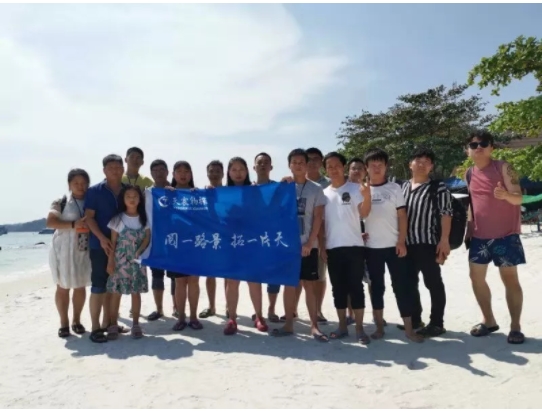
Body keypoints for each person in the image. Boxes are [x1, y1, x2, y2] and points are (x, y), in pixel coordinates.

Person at [464, 130, 525, 344]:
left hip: (505, 236)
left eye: (483, 144)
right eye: (474, 145)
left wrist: (506, 195)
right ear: (467, 150)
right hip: (479, 237)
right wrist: (469, 229)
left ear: (491, 147)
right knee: (476, 278)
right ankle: (489, 320)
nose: (478, 147)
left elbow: (519, 198)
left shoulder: (503, 167)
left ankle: (515, 326)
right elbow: (472, 204)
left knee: (510, 279)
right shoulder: (469, 173)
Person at [363, 149, 423, 343]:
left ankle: (409, 329)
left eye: (380, 164)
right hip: (372, 248)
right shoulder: (362, 190)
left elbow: (402, 215)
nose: (376, 168)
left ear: (386, 166)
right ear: (366, 168)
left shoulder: (394, 188)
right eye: (372, 165)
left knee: (401, 287)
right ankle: (379, 328)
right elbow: (361, 215)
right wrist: (366, 195)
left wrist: (401, 241)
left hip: (394, 246)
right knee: (376, 288)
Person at [272, 149, 328, 341]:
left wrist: (311, 242)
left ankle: (314, 326)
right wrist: (280, 185)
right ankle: (289, 323)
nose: (298, 165)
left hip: (308, 245)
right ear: (289, 165)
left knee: (309, 285)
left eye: (301, 162)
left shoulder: (316, 189)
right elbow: (272, 210)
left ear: (306, 165)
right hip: (287, 246)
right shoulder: (283, 187)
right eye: (294, 162)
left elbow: (318, 218)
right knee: (289, 285)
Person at [320, 151, 372, 344]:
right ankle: (342, 326)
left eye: (337, 165)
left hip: (354, 246)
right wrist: (322, 247)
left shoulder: (356, 188)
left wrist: (367, 197)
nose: (333, 169)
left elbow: (364, 213)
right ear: (325, 169)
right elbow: (321, 224)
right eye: (329, 166)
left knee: (356, 288)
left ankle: (359, 329)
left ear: (343, 167)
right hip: (333, 248)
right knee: (338, 289)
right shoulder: (324, 194)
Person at [401, 147, 452, 338]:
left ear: (431, 167)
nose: (422, 165)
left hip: (428, 243)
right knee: (409, 283)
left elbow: (446, 213)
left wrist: (444, 241)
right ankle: (415, 319)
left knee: (433, 283)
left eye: (427, 162)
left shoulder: (438, 187)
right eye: (418, 161)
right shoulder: (402, 187)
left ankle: (437, 323)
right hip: (405, 243)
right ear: (410, 164)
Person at [85, 154, 128, 343]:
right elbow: (89, 218)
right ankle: (95, 328)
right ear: (104, 170)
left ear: (123, 169)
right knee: (99, 286)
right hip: (99, 245)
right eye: (111, 168)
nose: (115, 171)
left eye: (118, 167)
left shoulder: (128, 190)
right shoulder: (94, 191)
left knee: (115, 286)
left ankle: (110, 323)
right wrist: (102, 238)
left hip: (123, 246)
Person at [223, 157, 268, 335]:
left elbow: (266, 210)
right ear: (228, 172)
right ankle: (232, 318)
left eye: (241, 169)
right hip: (232, 243)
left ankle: (259, 316)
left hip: (252, 242)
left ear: (247, 171)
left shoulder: (255, 191)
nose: (238, 173)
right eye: (234, 169)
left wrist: (286, 182)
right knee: (232, 282)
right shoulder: (222, 193)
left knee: (254, 281)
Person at [46, 168, 92, 338]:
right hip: (63, 249)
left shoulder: (92, 200)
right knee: (63, 286)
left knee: (80, 285)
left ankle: (76, 320)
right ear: (69, 185)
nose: (80, 186)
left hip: (83, 247)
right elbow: (50, 222)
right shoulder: (61, 201)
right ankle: (64, 323)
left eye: (83, 183)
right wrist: (73, 225)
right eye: (76, 183)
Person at [106, 185, 150, 339]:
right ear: (123, 199)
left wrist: (140, 251)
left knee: (135, 293)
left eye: (135, 196)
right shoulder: (117, 219)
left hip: (137, 261)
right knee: (116, 293)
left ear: (140, 199)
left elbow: (147, 238)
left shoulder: (145, 218)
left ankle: (136, 324)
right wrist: (110, 261)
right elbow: (113, 242)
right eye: (128, 196)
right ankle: (113, 324)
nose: (132, 199)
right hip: (120, 261)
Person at [169, 161, 204, 331]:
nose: (183, 174)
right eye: (179, 171)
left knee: (194, 281)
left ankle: (193, 317)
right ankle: (181, 317)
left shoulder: (198, 194)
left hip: (195, 243)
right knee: (180, 281)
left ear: (191, 174)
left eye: (186, 171)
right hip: (176, 244)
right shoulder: (168, 193)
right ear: (173, 174)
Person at [145, 159, 178, 321]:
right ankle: (159, 309)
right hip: (155, 240)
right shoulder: (146, 193)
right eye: (155, 170)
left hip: (174, 239)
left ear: (167, 172)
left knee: (175, 276)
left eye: (161, 170)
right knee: (156, 275)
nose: (158, 173)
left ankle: (177, 307)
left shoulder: (176, 191)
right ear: (151, 173)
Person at [252, 152, 281, 323]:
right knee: (254, 277)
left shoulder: (279, 188)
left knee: (274, 276)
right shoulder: (248, 188)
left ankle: (271, 309)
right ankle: (258, 311)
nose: (262, 165)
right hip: (253, 239)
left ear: (271, 167)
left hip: (273, 237)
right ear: (254, 167)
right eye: (259, 162)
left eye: (266, 162)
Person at [306, 147, 331, 323]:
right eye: (309, 159)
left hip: (325, 236)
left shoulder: (330, 184)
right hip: (302, 237)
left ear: (321, 162)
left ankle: (318, 310)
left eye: (316, 159)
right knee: (300, 277)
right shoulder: (295, 183)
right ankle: (292, 310)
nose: (312, 162)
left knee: (320, 276)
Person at [198, 160, 226, 319]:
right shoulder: (201, 193)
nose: (214, 174)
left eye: (217, 171)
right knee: (210, 274)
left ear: (223, 174)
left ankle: (229, 306)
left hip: (227, 237)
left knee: (229, 274)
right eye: (211, 171)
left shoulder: (230, 193)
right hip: (209, 238)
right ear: (207, 173)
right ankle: (211, 306)